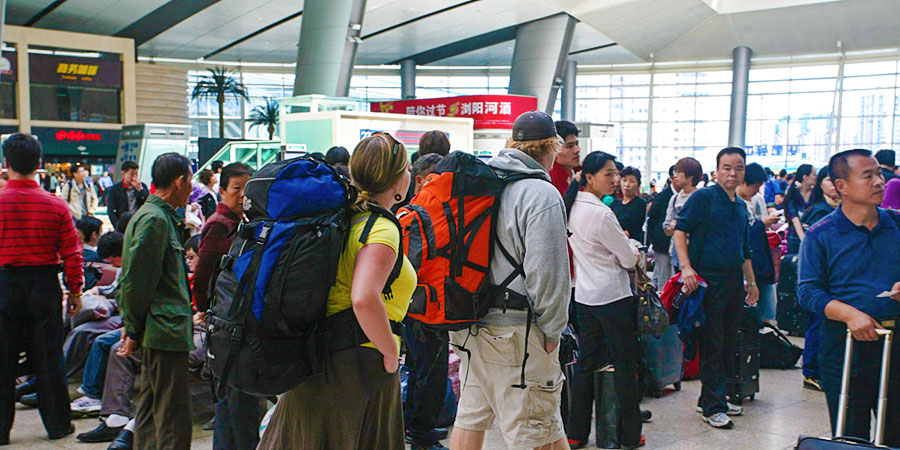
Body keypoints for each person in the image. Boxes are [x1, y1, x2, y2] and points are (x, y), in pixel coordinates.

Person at [258, 134, 415, 450]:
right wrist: (388, 351)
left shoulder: (343, 217)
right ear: (398, 181)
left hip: (317, 354)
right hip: (358, 362)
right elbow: (363, 297)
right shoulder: (381, 229)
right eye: (408, 168)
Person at [448, 111, 570, 450]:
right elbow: (549, 275)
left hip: (470, 326)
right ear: (551, 147)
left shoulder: (481, 183)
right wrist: (553, 331)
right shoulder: (540, 195)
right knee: (533, 429)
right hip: (518, 334)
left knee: (471, 418)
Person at [798, 149, 900, 446]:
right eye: (867, 176)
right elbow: (809, 292)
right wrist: (850, 314)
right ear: (840, 186)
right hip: (845, 345)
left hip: (895, 342)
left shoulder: (896, 224)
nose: (879, 182)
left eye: (879, 174)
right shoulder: (822, 234)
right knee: (850, 433)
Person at [0, 133, 83, 444]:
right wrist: (74, 291)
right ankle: (59, 425)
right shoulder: (55, 205)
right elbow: (72, 253)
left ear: (6, 164)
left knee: (2, 359)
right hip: (43, 285)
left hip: (4, 284)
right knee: (49, 358)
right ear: (38, 164)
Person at [674, 147, 759, 429]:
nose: (733, 173)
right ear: (717, 170)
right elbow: (679, 231)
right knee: (712, 342)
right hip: (708, 281)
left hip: (733, 280)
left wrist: (752, 282)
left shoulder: (740, 206)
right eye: (727, 168)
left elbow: (744, 248)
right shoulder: (704, 197)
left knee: (727, 342)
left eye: (739, 168)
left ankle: (713, 398)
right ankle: (713, 406)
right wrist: (687, 268)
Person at [564, 151, 644, 450]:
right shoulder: (601, 213)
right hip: (613, 297)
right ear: (589, 178)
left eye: (617, 174)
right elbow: (626, 259)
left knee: (586, 365)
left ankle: (576, 432)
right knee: (625, 365)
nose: (616, 180)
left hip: (584, 296)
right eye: (609, 174)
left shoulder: (571, 206)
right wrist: (632, 249)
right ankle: (628, 435)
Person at [116, 152, 194, 450]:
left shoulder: (156, 216)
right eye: (189, 180)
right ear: (178, 182)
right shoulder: (155, 220)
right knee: (172, 415)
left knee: (149, 408)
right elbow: (136, 282)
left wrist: (133, 326)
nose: (192, 188)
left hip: (159, 329)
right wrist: (133, 329)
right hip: (164, 331)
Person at [191, 162, 259, 450]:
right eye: (235, 189)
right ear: (221, 191)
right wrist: (205, 309)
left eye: (247, 189)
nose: (242, 195)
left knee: (230, 400)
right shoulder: (221, 224)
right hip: (226, 318)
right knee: (236, 399)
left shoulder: (239, 221)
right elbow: (204, 272)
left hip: (228, 317)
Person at [402, 153, 450, 450]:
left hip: (429, 306)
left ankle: (419, 428)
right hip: (423, 308)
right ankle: (422, 433)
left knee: (425, 370)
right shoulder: (417, 214)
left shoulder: (426, 211)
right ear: (419, 179)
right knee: (426, 371)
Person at [795, 167, 841, 392]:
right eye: (828, 180)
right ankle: (811, 371)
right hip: (820, 281)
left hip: (837, 282)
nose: (833, 185)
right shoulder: (819, 212)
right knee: (817, 323)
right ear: (820, 184)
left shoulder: (840, 210)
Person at [736, 164, 779, 324]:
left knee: (767, 306)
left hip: (759, 258)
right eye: (755, 187)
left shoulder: (757, 199)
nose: (757, 191)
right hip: (745, 261)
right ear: (743, 182)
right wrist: (760, 223)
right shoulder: (733, 202)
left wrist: (764, 223)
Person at [664, 157, 703, 271]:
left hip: (697, 253)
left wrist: (677, 226)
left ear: (690, 176)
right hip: (676, 252)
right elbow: (666, 228)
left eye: (679, 172)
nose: (675, 175)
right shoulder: (674, 198)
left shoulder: (702, 197)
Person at [647, 165, 677, 289]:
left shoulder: (688, 196)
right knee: (664, 283)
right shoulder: (663, 196)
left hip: (677, 247)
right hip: (662, 245)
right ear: (672, 177)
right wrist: (654, 241)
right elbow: (652, 221)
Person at [107, 161, 149, 230]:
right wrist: (117, 226)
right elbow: (110, 210)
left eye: (136, 174)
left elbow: (148, 202)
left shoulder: (142, 186)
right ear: (123, 173)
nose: (134, 177)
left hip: (139, 222)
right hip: (123, 223)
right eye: (132, 174)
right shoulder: (115, 189)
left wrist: (141, 190)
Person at [785, 164, 817, 254]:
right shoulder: (793, 195)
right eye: (814, 175)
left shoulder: (816, 195)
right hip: (795, 237)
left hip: (813, 236)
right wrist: (805, 240)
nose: (816, 177)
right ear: (805, 177)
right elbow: (795, 220)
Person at [614, 167, 647, 242]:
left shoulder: (640, 203)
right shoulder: (615, 204)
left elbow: (629, 222)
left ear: (638, 185)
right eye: (624, 180)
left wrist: (615, 230)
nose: (627, 185)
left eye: (632, 181)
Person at [550, 120, 581, 196]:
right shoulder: (550, 180)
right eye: (570, 146)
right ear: (554, 149)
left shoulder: (582, 173)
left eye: (577, 144)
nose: (577, 150)